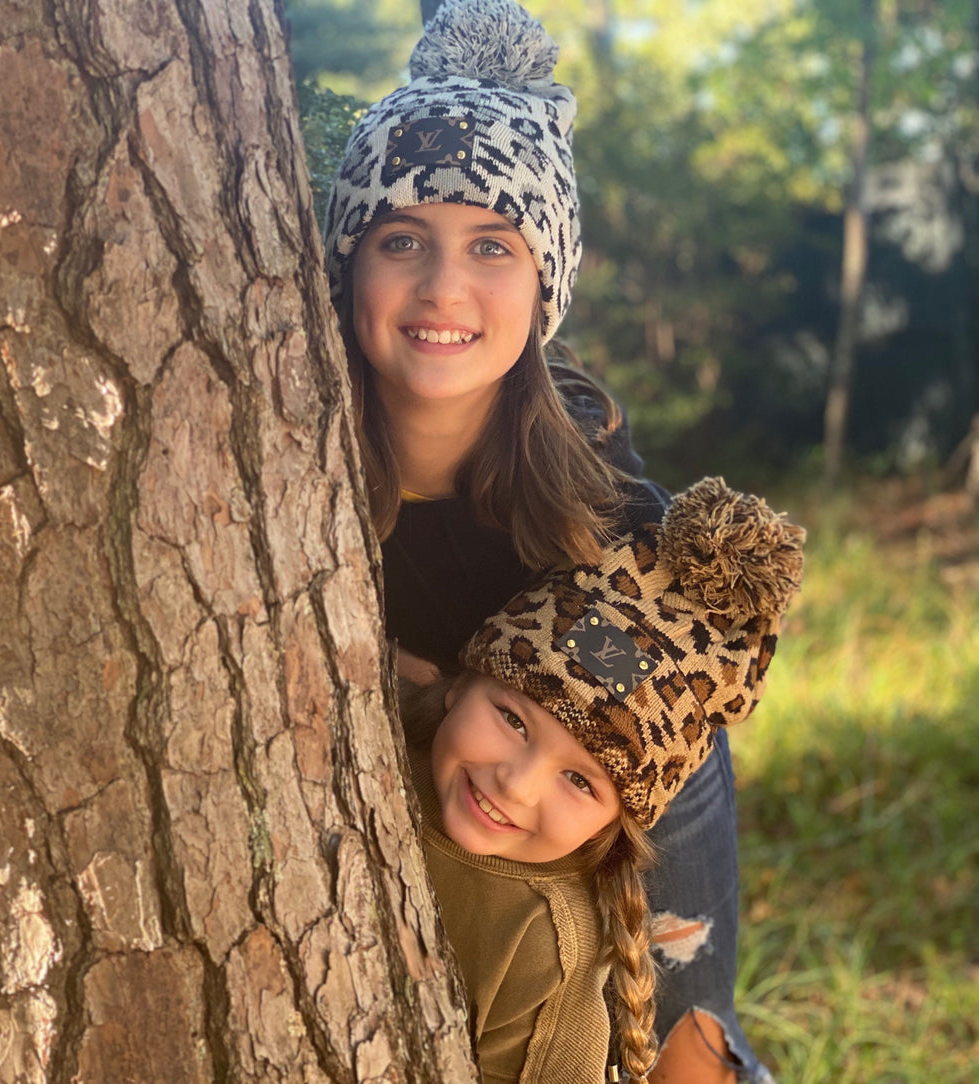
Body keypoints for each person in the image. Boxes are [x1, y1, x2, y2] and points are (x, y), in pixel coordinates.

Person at [321, 0, 781, 1079]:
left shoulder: (590, 495)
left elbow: (687, 672)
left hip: (609, 752)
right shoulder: (293, 453)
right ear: (347, 263)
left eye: (492, 246)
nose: (443, 288)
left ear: (543, 287)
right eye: (401, 241)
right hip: (469, 739)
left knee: (672, 1036)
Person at [399, 478, 804, 1083]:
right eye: (512, 719)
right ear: (459, 683)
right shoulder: (384, 740)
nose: (517, 785)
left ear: (613, 829)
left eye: (581, 781)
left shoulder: (549, 959)